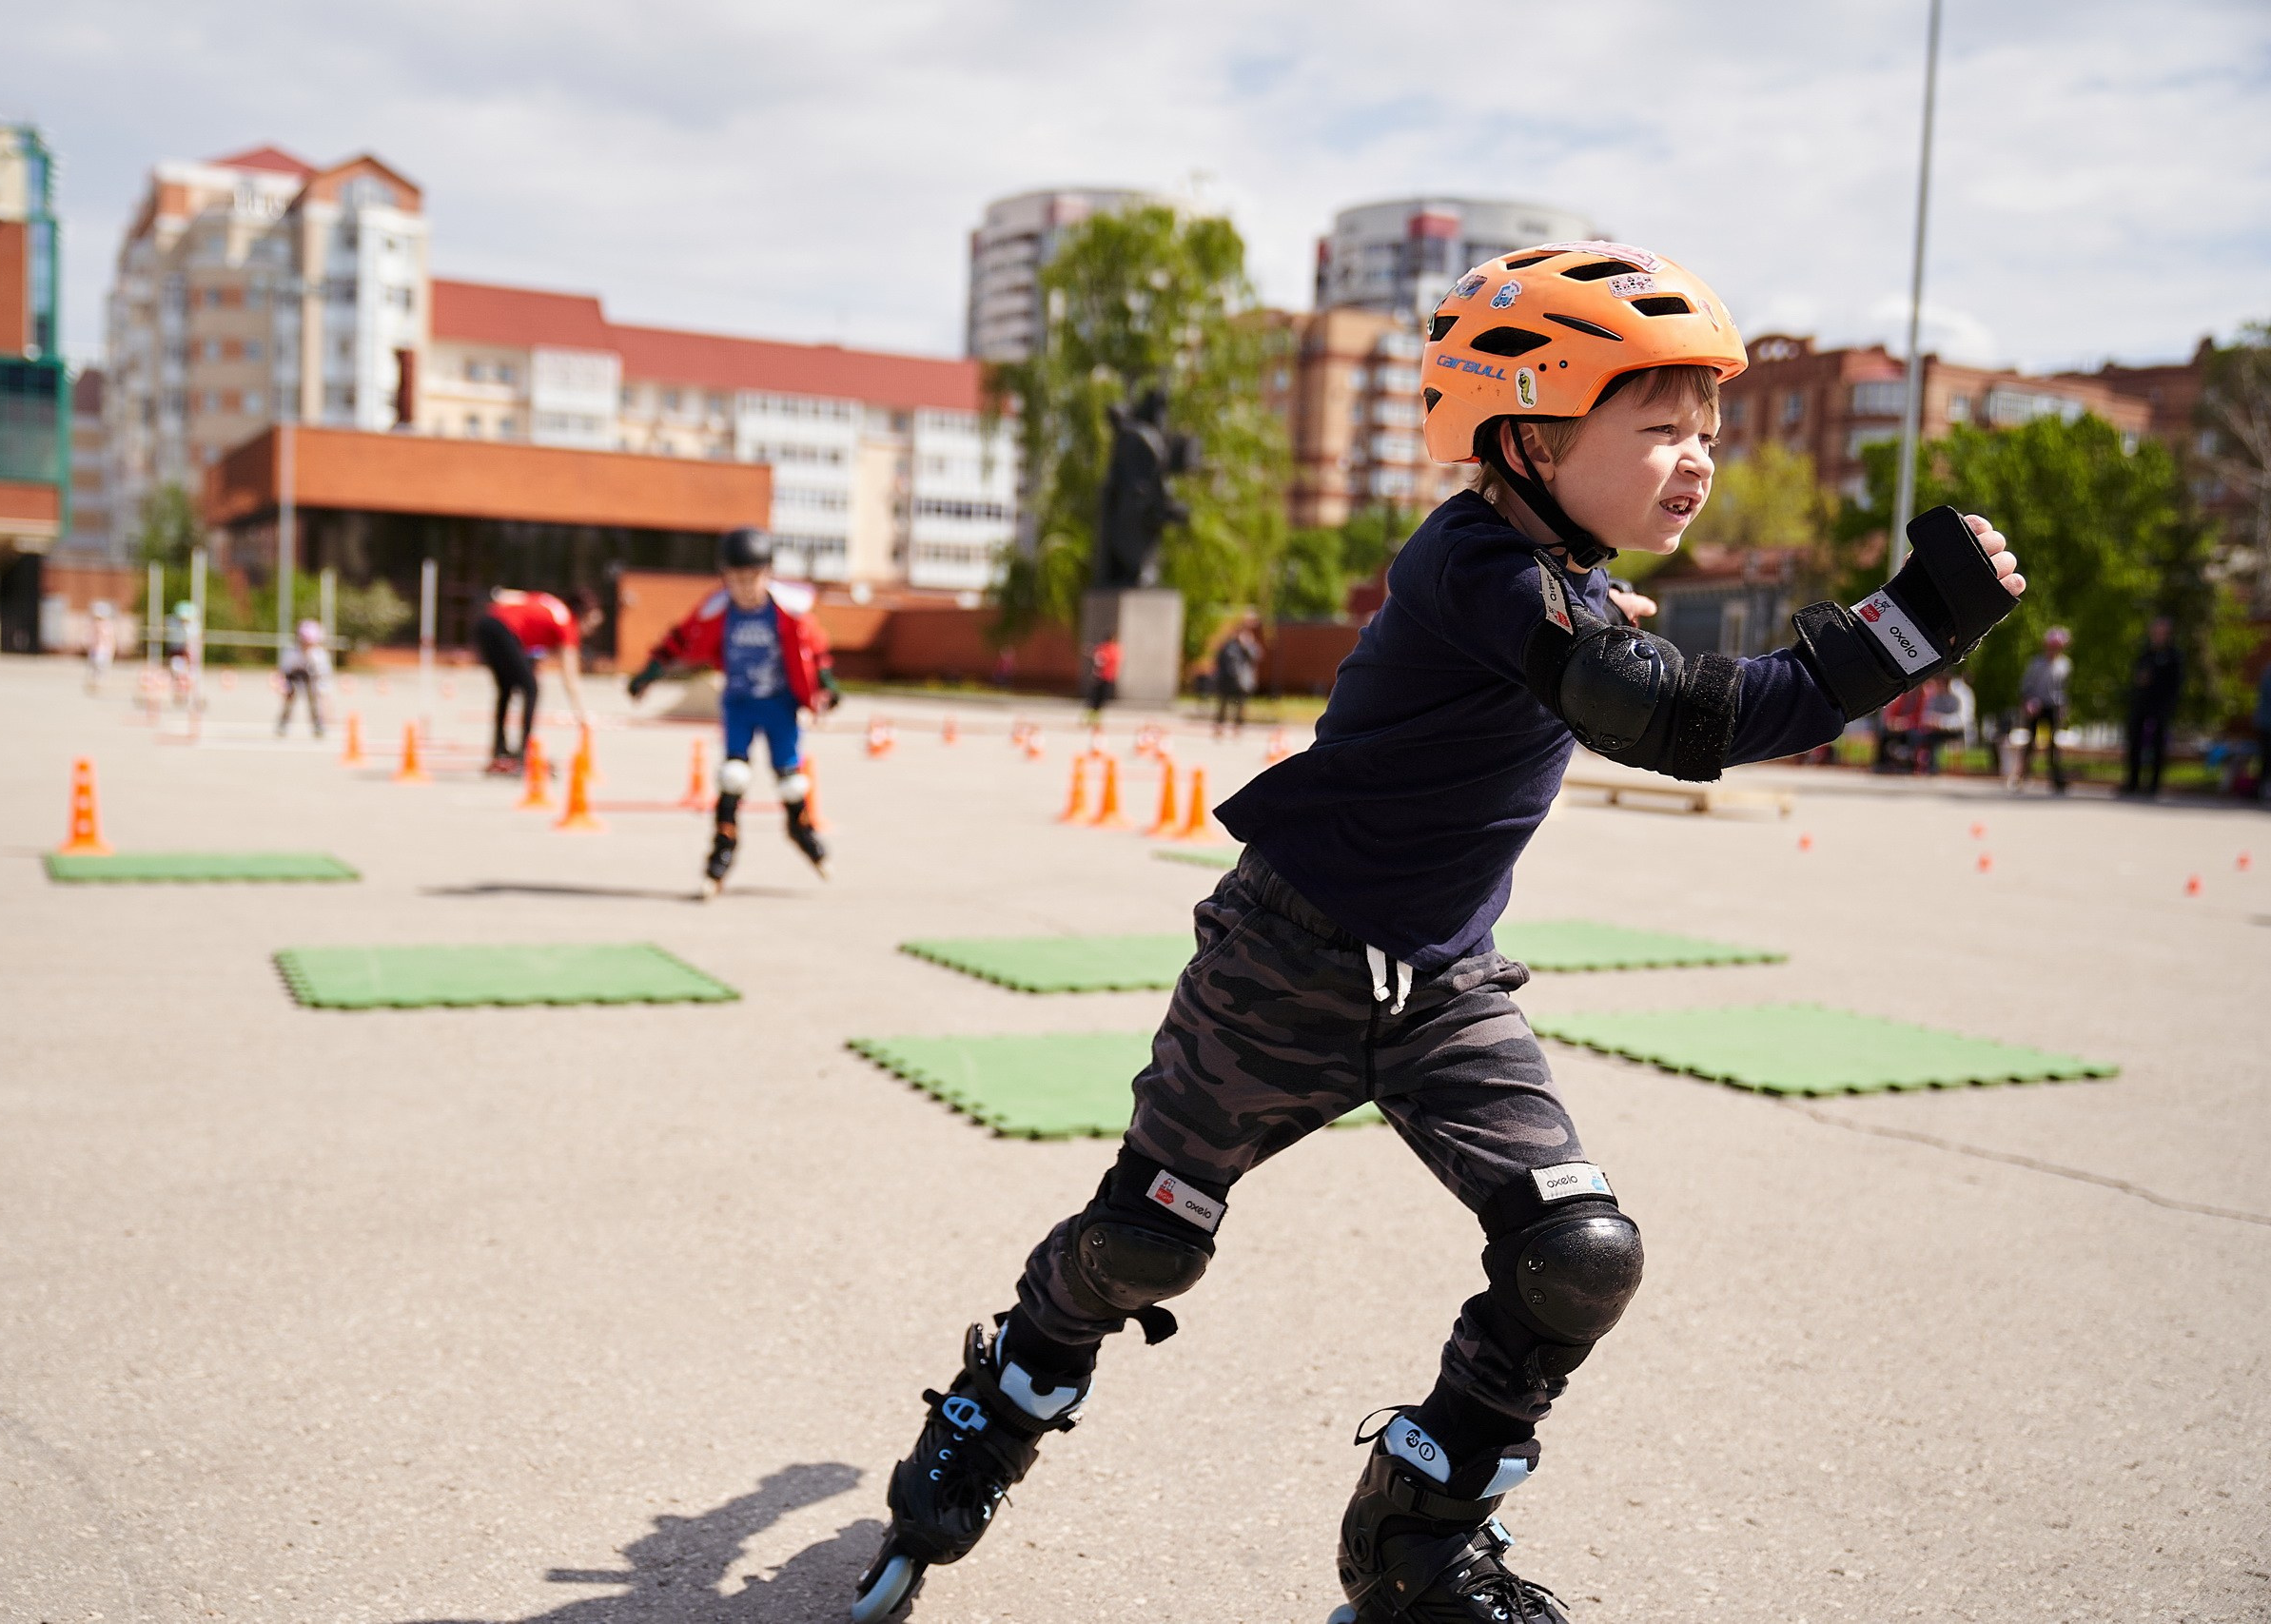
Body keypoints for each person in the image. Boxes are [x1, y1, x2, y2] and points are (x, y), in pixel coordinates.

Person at [847, 242, 2027, 1624]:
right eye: (1658, 430)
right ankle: (1001, 1397)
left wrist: (1851, 629)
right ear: (1525, 430)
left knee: (1576, 1251)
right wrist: (1909, 622)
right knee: (1150, 1238)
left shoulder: (1561, 577)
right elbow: (1681, 718)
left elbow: (1630, 670)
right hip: (1280, 963)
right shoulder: (1478, 562)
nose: (1696, 461)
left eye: (1705, 431)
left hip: (1444, 992)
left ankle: (1417, 1530)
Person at [626, 527, 838, 894]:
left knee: (791, 781)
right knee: (733, 777)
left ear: (767, 574)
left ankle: (800, 829)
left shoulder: (788, 610)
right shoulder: (717, 610)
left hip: (780, 704)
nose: (744, 588)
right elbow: (681, 639)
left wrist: (828, 684)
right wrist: (649, 674)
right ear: (725, 577)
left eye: (752, 578)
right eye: (735, 579)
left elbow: (815, 649)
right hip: (739, 703)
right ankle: (721, 853)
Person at [474, 585, 598, 773]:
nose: (590, 631)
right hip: (503, 630)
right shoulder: (567, 623)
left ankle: (500, 749)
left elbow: (512, 599)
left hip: (486, 624)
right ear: (582, 615)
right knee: (531, 689)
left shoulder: (550, 603)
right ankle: (524, 752)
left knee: (507, 687)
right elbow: (570, 678)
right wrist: (582, 715)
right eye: (590, 624)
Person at [2122, 616, 2182, 797]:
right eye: (2155, 631)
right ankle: (2133, 782)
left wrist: (2168, 704)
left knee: (2158, 745)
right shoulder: (2146, 653)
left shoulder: (2174, 656)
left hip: (2161, 705)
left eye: (2161, 631)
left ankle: (2154, 785)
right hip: (2142, 703)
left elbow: (2176, 683)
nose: (2157, 635)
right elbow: (2137, 676)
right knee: (2135, 741)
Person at [2017, 626, 2072, 794]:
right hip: (2036, 706)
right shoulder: (2037, 663)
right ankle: (2023, 777)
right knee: (2031, 742)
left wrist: (2063, 707)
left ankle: (2056, 779)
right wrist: (2027, 701)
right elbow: (2026, 685)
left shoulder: (2065, 665)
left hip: (2052, 707)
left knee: (2053, 744)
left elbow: (2063, 689)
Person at [276, 618, 332, 738]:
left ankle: (318, 724)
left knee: (315, 701)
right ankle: (283, 723)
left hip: (312, 679)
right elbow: (284, 671)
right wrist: (285, 686)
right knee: (289, 701)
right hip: (293, 678)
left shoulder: (319, 655)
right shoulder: (291, 652)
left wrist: (323, 690)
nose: (307, 645)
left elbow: (323, 676)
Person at [1212, 611, 1262, 737]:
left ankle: (1238, 727)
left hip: (1242, 679)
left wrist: (1246, 645)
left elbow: (1256, 657)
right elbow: (1220, 658)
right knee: (1223, 703)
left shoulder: (1248, 644)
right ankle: (1220, 726)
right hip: (1227, 678)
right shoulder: (1228, 644)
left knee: (1240, 704)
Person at [1084, 636, 1122, 721]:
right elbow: (1100, 660)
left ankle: (1094, 717)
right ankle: (1092, 717)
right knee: (1097, 698)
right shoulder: (1110, 649)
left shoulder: (1107, 648)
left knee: (1098, 699)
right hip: (1104, 677)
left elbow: (1099, 658)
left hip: (1104, 677)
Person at [84, 600, 117, 695]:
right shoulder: (93, 625)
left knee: (101, 666)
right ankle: (94, 682)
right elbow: (90, 637)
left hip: (104, 650)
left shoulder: (108, 626)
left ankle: (99, 682)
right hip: (95, 649)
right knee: (94, 666)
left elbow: (111, 639)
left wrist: (111, 650)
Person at [2253, 661, 2271, 803]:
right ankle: (2262, 790)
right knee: (2266, 759)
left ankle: (2262, 789)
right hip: (2266, 723)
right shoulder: (2268, 673)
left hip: (2264, 721)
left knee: (2265, 759)